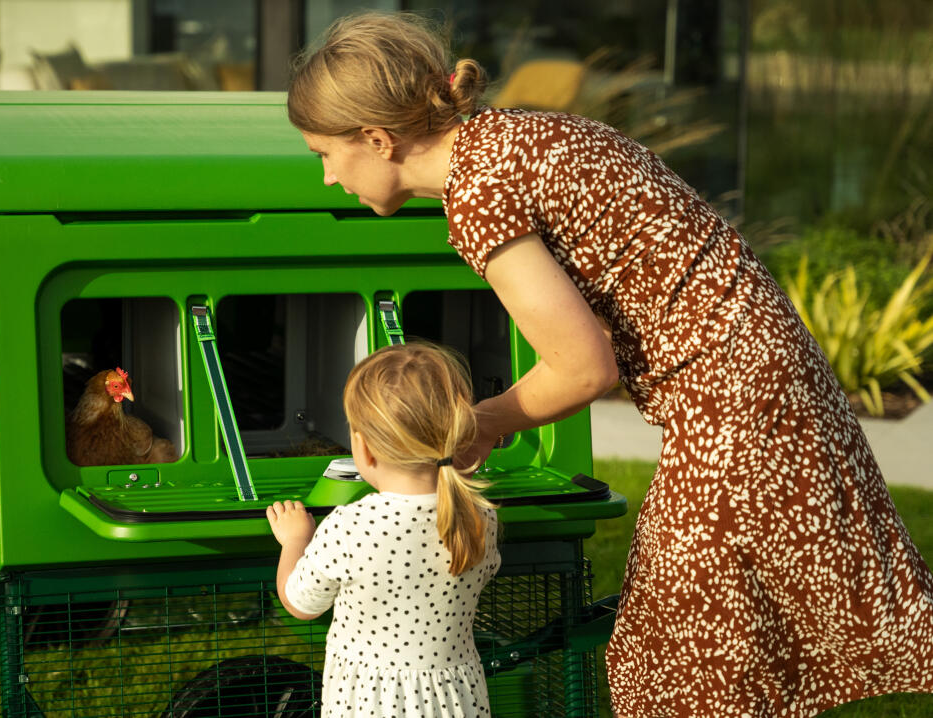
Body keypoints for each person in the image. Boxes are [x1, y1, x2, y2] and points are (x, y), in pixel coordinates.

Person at [285, 10, 933, 718]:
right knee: (717, 635)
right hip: (760, 373)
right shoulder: (515, 137)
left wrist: (480, 424)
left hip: (732, 396)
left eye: (324, 153)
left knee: (686, 650)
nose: (325, 177)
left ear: (376, 139)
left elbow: (583, 368)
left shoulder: (479, 195)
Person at [267, 341, 501, 717]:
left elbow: (300, 604)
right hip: (455, 699)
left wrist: (296, 540)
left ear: (363, 449)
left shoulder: (348, 526)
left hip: (369, 704)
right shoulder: (479, 517)